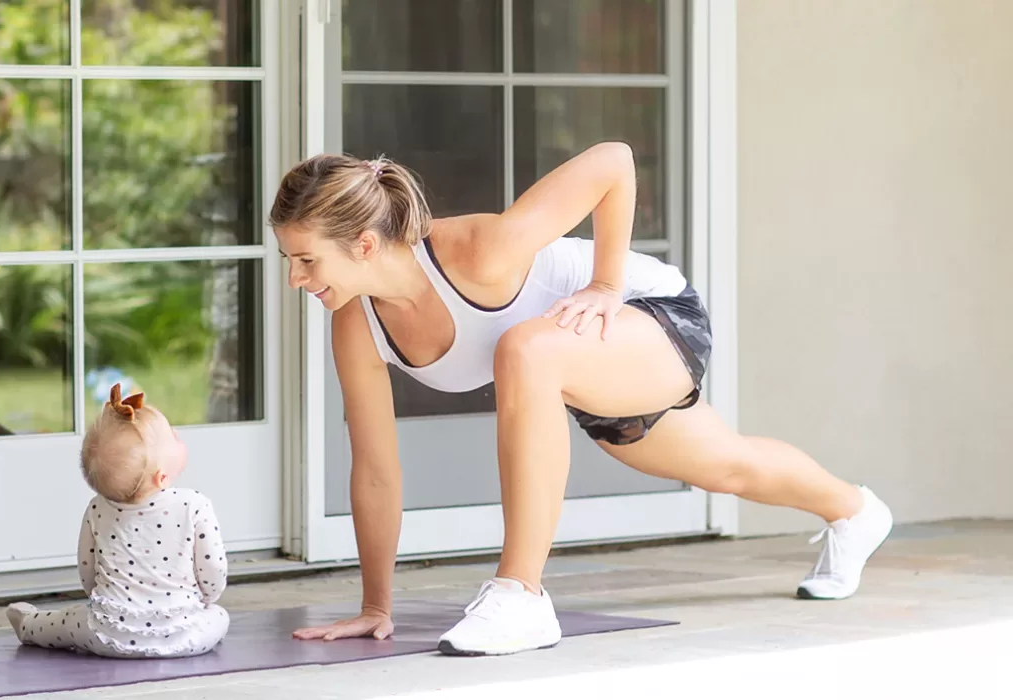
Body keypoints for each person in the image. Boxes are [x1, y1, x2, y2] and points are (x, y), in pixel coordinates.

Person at [268, 144, 893, 657]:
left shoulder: (478, 252)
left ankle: (521, 595)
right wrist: (376, 607)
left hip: (650, 314)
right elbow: (376, 470)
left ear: (366, 245)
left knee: (526, 349)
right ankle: (855, 511)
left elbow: (614, 162)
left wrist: (604, 283)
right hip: (577, 364)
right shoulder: (355, 324)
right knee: (728, 465)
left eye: (305, 259)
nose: (296, 278)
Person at [5, 383, 230, 658]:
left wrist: (103, 605)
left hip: (107, 636)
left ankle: (30, 625)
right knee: (219, 616)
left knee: (68, 622)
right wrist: (207, 601)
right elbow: (213, 570)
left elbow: (88, 571)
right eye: (173, 436)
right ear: (162, 477)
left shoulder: (97, 508)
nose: (178, 434)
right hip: (183, 636)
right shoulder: (194, 505)